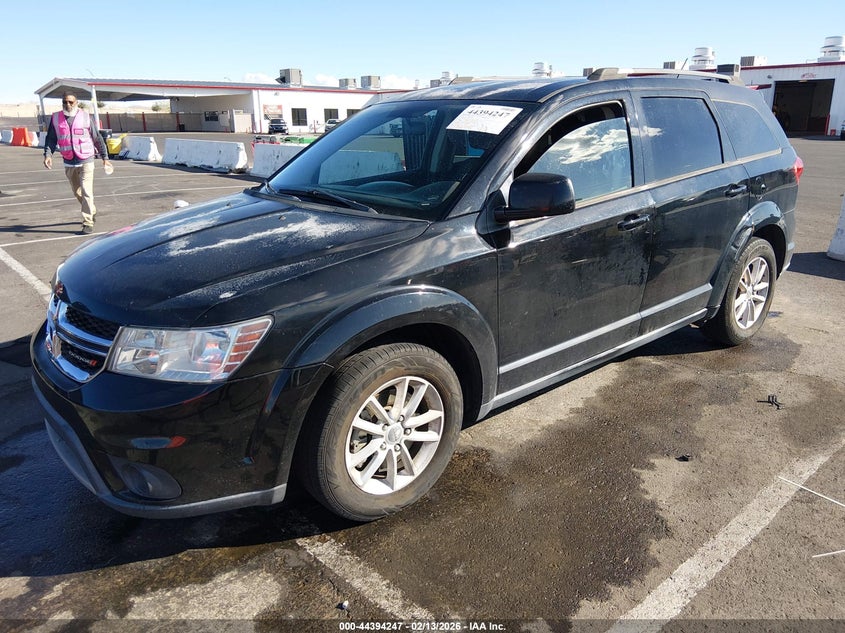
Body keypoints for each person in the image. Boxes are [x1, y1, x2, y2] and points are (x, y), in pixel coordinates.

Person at [43, 91, 112, 234]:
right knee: (77, 191)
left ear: (76, 102)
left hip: (86, 159)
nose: (67, 104)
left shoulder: (86, 117)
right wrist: (48, 155)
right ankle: (92, 210)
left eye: (70, 102)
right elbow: (51, 139)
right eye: (65, 102)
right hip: (68, 161)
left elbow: (97, 138)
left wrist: (105, 157)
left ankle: (87, 222)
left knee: (87, 191)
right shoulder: (56, 118)